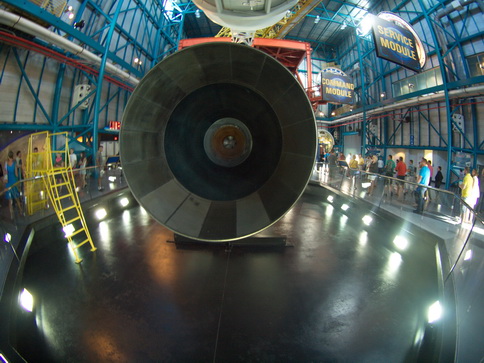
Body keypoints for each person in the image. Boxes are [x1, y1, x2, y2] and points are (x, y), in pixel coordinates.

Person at [4, 151, 24, 219]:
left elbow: (5, 173)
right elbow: (16, 174)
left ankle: (11, 215)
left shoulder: (6, 163)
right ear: (12, 156)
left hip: (8, 182)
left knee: (10, 200)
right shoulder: (14, 163)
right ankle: (21, 211)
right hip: (14, 181)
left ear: (8, 156)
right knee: (16, 198)